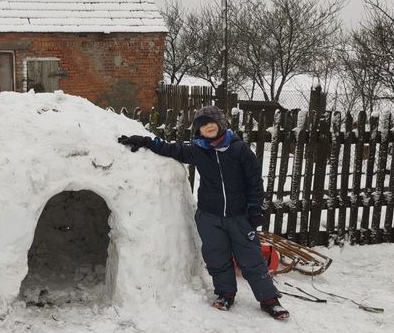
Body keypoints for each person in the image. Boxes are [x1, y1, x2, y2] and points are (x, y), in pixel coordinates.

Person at [118, 105, 289, 320]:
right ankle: (226, 293)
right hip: (209, 216)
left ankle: (269, 300)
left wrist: (254, 208)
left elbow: (255, 181)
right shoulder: (198, 150)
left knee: (251, 258)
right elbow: (172, 150)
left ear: (221, 124)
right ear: (198, 130)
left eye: (211, 122)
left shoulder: (239, 150)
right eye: (202, 125)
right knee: (216, 257)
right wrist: (146, 142)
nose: (207, 127)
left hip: (239, 216)